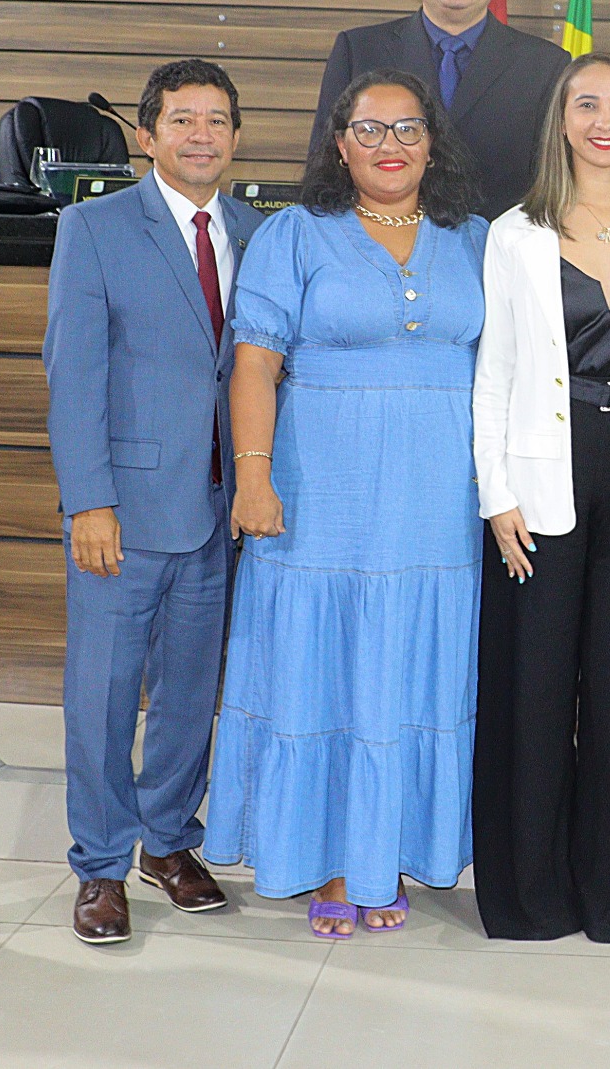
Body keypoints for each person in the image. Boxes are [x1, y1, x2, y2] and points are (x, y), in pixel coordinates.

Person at [204, 69, 487, 937]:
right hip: (319, 490)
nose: (389, 145)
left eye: (407, 128)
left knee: (414, 666)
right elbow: (255, 360)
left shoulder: (476, 237)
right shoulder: (294, 233)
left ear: (432, 142)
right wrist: (253, 477)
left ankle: (393, 849)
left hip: (441, 497)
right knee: (320, 663)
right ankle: (328, 858)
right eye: (370, 129)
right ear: (339, 142)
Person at [44, 59, 264, 944]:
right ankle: (99, 863)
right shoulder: (93, 227)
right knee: (100, 693)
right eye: (183, 120)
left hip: (221, 511)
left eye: (217, 119)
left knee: (189, 692)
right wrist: (87, 501)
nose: (201, 134)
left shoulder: (256, 230)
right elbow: (74, 375)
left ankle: (168, 842)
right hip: (125, 513)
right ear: (148, 134)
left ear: (237, 135)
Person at [471, 53, 610, 944]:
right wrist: (496, 494)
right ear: (561, 119)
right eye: (586, 103)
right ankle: (531, 895)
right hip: (542, 481)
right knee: (535, 685)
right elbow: (495, 372)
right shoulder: (514, 231)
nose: (605, 119)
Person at [312, 0, 569, 221]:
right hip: (376, 254)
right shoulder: (359, 51)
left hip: (496, 258)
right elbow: (326, 171)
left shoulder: (545, 66)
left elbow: (558, 187)